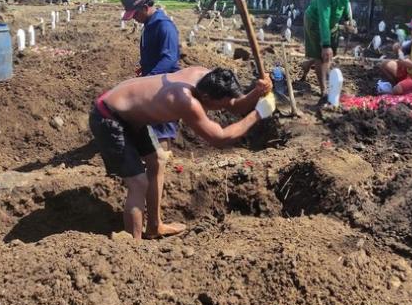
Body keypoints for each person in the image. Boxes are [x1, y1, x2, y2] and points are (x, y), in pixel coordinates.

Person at [88, 66, 276, 240]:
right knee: (138, 182)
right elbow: (220, 139)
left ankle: (154, 226)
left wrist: (256, 93)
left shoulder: (207, 78)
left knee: (157, 161)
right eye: (220, 106)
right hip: (108, 116)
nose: (224, 109)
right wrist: (258, 113)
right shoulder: (186, 101)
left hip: (130, 114)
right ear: (206, 98)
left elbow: (234, 104)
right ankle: (132, 247)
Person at [121, 0, 180, 174]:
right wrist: (144, 68)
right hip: (154, 80)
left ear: (146, 7)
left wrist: (148, 79)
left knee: (161, 123)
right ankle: (158, 162)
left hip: (165, 84)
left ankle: (163, 165)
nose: (135, 18)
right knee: (153, 122)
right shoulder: (149, 25)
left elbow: (169, 58)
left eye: (136, 14)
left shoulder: (164, 26)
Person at [301, 0, 354, 102]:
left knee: (328, 54)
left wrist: (348, 19)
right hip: (315, 22)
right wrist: (325, 45)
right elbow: (323, 19)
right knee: (323, 56)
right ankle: (324, 90)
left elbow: (345, 0)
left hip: (332, 24)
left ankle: (307, 64)